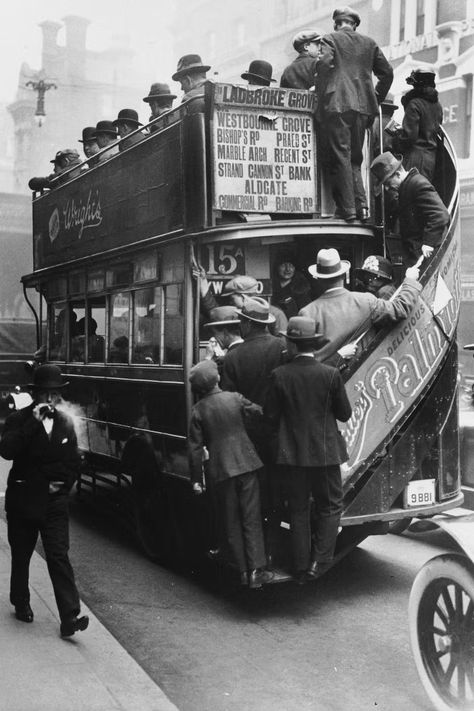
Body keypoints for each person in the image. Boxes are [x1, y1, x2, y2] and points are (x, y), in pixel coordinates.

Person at [0, 364, 89, 637]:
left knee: (59, 556)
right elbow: (7, 451)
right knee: (22, 555)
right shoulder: (19, 420)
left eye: (54, 394)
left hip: (54, 503)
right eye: (45, 394)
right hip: (24, 501)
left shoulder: (65, 422)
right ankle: (21, 601)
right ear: (35, 394)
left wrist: (63, 485)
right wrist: (32, 423)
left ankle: (69, 616)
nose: (50, 400)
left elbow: (74, 461)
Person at [264, 316, 352, 583]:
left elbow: (270, 416)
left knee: (298, 509)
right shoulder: (330, 374)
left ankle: (300, 566)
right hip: (326, 453)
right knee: (330, 506)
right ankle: (318, 562)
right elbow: (345, 414)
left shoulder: (279, 375)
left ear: (291, 344)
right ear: (314, 344)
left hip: (292, 455)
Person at [188, 359, 273, 589]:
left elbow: (195, 448)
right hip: (247, 463)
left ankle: (243, 571)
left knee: (230, 520)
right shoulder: (234, 398)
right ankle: (257, 571)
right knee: (251, 517)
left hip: (220, 470)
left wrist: (196, 479)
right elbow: (259, 412)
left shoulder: (198, 410)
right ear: (217, 378)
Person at [221, 297, 287, 566]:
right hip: (277, 432)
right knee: (275, 493)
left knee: (252, 497)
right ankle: (274, 549)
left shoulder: (233, 356)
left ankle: (255, 556)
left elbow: (228, 398)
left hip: (248, 435)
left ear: (248, 324)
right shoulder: (282, 347)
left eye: (241, 321)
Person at [316, 6, 393, 222]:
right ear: (354, 24)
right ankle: (362, 207)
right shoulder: (369, 43)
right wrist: (375, 98)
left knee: (341, 155)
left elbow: (323, 64)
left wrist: (323, 90)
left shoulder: (330, 39)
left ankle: (348, 210)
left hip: (338, 104)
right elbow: (387, 73)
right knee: (355, 158)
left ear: (336, 23)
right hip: (363, 108)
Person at [299, 248, 422, 364]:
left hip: (323, 381)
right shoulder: (366, 301)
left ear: (318, 279)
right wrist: (410, 281)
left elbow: (301, 362)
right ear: (344, 275)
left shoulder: (306, 313)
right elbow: (399, 309)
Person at [370, 151, 450, 267]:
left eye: (387, 182)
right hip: (417, 253)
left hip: (425, 253)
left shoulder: (417, 184)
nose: (387, 188)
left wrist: (429, 243)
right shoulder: (408, 186)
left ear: (397, 174)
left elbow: (440, 214)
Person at [395, 68, 443, 183]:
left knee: (410, 195)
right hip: (431, 159)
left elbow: (409, 137)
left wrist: (395, 141)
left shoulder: (414, 104)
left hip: (415, 158)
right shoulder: (438, 106)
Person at [203, 306, 243, 374]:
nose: (213, 338)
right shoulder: (251, 350)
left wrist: (208, 358)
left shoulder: (226, 360)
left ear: (225, 333)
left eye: (214, 333)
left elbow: (204, 379)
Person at [271, 253, 312, 318]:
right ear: (277, 267)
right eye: (283, 265)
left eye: (291, 265)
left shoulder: (302, 288)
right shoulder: (271, 285)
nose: (287, 269)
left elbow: (307, 314)